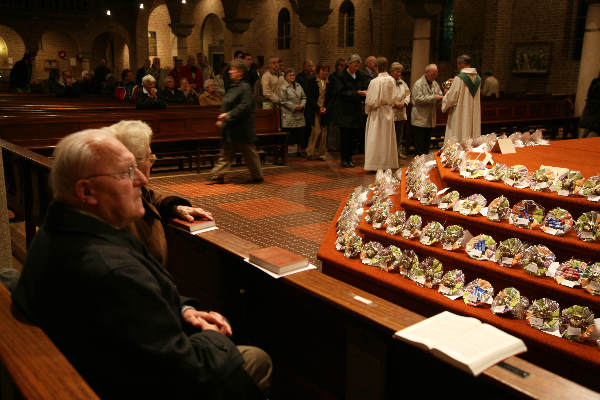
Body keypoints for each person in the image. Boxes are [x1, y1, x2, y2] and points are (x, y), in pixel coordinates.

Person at [12, 129, 271, 399]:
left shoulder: (62, 229)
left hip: (112, 361)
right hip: (129, 384)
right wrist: (214, 337)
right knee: (256, 358)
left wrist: (183, 310)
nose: (142, 179)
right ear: (86, 191)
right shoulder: (111, 269)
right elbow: (183, 369)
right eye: (126, 173)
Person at [108, 120, 213, 267]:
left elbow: (148, 196)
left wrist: (173, 206)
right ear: (130, 163)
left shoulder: (128, 187)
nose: (151, 163)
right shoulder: (116, 210)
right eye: (149, 158)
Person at [210, 60, 264, 184]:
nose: (230, 71)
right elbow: (226, 104)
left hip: (242, 128)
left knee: (249, 153)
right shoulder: (232, 87)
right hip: (230, 127)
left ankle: (257, 176)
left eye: (232, 69)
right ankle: (217, 175)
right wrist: (222, 118)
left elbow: (244, 106)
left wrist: (228, 115)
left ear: (240, 72)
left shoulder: (245, 87)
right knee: (226, 152)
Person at [333, 54, 367, 168]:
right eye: (354, 65)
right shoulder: (340, 76)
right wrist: (356, 93)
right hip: (344, 111)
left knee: (354, 136)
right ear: (349, 64)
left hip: (356, 112)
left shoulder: (360, 75)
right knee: (345, 137)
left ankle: (350, 158)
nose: (356, 68)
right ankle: (344, 159)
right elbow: (340, 92)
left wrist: (363, 93)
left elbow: (363, 87)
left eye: (358, 66)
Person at [363, 57, 398, 171]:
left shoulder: (375, 81)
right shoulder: (391, 80)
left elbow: (370, 100)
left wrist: (367, 110)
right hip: (388, 111)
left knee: (376, 138)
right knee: (386, 139)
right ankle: (387, 164)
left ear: (376, 68)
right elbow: (394, 97)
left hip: (377, 113)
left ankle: (375, 165)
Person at [442, 54, 482, 144]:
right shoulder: (478, 79)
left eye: (458, 64)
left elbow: (451, 98)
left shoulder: (459, 78)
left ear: (461, 64)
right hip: (473, 114)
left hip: (460, 114)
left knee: (458, 136)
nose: (458, 66)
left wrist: (446, 92)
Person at [410, 64, 443, 155]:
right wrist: (433, 97)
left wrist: (441, 97)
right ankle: (418, 164)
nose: (434, 76)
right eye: (432, 74)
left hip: (430, 119)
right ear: (426, 73)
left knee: (426, 144)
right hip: (420, 119)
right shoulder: (418, 84)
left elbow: (439, 94)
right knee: (420, 145)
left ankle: (425, 164)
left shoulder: (435, 84)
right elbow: (417, 99)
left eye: (435, 74)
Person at [279, 68, 307, 157]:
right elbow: (283, 101)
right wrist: (294, 107)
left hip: (299, 114)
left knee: (300, 133)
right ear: (285, 77)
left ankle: (299, 150)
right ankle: (285, 152)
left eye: (293, 75)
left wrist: (302, 105)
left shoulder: (298, 85)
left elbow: (304, 97)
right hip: (289, 114)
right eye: (290, 75)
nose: (292, 77)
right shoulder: (283, 87)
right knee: (288, 134)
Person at [306, 64, 330, 161]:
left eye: (327, 70)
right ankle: (310, 151)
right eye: (323, 70)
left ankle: (322, 153)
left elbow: (331, 97)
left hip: (325, 109)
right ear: (318, 71)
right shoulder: (312, 81)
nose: (325, 72)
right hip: (314, 109)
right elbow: (310, 97)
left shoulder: (330, 82)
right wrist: (318, 108)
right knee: (316, 131)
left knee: (324, 132)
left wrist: (326, 108)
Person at [295, 60, 318, 157]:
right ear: (304, 66)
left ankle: (307, 148)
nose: (310, 68)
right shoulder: (299, 77)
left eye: (312, 66)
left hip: (311, 105)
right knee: (301, 128)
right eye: (309, 66)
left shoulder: (314, 77)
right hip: (302, 104)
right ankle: (300, 149)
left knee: (309, 127)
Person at [390, 62, 410, 159]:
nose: (399, 74)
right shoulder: (388, 82)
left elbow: (408, 94)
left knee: (399, 134)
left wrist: (405, 102)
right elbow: (386, 95)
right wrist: (395, 103)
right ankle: (391, 154)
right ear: (392, 72)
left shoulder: (403, 83)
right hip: (392, 112)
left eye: (400, 72)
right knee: (391, 135)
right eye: (397, 72)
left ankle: (398, 151)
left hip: (401, 112)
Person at [579, 72, 600, 138]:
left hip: (591, 113)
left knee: (588, 132)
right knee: (591, 133)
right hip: (596, 114)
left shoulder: (595, 82)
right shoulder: (596, 83)